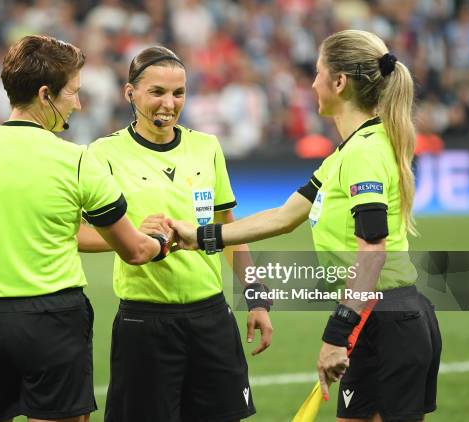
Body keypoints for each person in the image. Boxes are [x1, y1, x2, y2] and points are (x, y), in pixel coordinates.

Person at [170, 30, 442, 422]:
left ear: (339, 82)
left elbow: (373, 250)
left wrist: (336, 333)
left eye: (317, 73)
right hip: (374, 317)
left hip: (387, 320)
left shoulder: (364, 154)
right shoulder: (346, 154)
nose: (311, 83)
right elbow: (283, 217)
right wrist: (200, 236)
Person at [0, 35, 170, 422]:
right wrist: (161, 241)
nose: (77, 104)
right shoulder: (76, 160)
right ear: (46, 94)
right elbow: (134, 251)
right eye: (73, 93)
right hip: (56, 321)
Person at [77, 46, 273, 422]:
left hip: (212, 316)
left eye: (178, 93)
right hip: (145, 322)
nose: (169, 103)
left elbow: (228, 228)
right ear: (129, 93)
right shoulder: (102, 155)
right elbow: (76, 234)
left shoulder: (207, 147)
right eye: (157, 92)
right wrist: (131, 237)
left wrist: (256, 297)